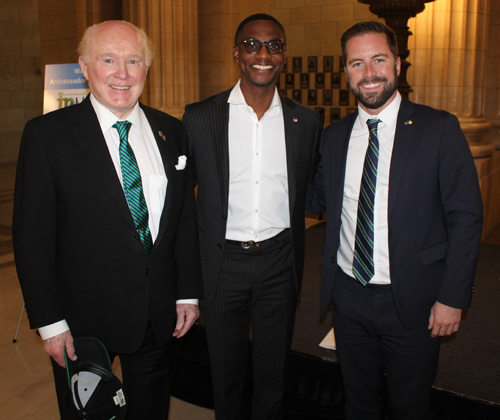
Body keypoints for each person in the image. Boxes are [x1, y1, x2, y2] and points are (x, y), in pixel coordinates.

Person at [12, 20, 203, 419]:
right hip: (82, 323)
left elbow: (183, 221)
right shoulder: (47, 136)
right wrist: (50, 324)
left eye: (134, 60)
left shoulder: (172, 132)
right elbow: (33, 239)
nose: (123, 73)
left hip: (156, 315)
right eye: (109, 60)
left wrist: (186, 293)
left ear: (147, 67)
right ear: (84, 67)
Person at [307, 21, 483, 420]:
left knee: (409, 407)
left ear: (398, 65)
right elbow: (315, 197)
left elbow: (467, 216)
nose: (369, 73)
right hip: (349, 299)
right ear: (346, 71)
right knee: (359, 404)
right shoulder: (334, 138)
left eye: (378, 60)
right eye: (357, 63)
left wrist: (452, 297)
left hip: (416, 301)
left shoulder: (438, 128)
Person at [183, 13, 321, 420]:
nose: (263, 54)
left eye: (274, 46)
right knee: (225, 375)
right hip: (222, 263)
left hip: (280, 261)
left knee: (272, 374)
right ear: (236, 53)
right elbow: (179, 199)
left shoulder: (305, 121)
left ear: (284, 56)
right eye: (252, 45)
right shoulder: (200, 117)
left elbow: (312, 185)